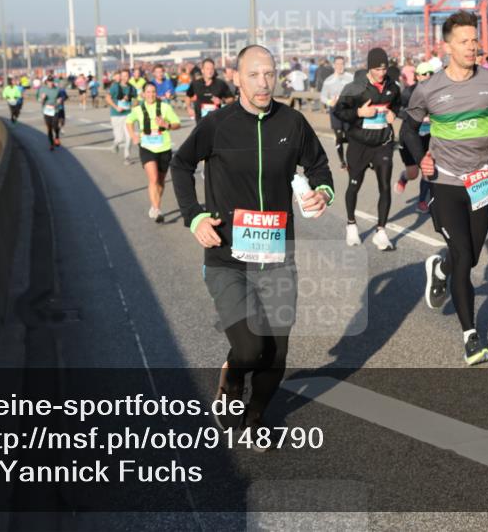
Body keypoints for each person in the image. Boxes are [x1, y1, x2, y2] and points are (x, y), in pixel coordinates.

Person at [171, 44, 333, 442]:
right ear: (237, 78)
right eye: (254, 75)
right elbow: (181, 164)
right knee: (249, 350)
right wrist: (194, 216)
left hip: (278, 258)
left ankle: (255, 419)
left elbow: (319, 166)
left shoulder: (292, 122)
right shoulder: (218, 124)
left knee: (276, 353)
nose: (263, 83)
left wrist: (323, 192)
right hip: (227, 257)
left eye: (269, 74)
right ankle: (232, 379)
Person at [401, 10, 488, 366]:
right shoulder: (429, 88)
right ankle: (471, 337)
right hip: (446, 181)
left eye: (475, 40)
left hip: (481, 180)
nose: (472, 47)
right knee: (464, 256)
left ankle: (440, 267)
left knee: (472, 257)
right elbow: (407, 129)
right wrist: (421, 157)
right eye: (464, 41)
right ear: (447, 46)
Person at [334, 47, 402, 251]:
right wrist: (359, 112)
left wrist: (393, 114)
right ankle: (351, 225)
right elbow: (339, 111)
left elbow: (397, 105)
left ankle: (381, 232)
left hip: (383, 144)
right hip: (359, 144)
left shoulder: (393, 86)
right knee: (354, 185)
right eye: (377, 69)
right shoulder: (355, 87)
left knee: (385, 186)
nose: (381, 73)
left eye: (384, 69)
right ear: (369, 68)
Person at [126, 83, 181, 223]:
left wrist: (166, 125)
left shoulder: (165, 107)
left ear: (156, 93)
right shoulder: (138, 109)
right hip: (147, 147)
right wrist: (133, 136)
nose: (150, 95)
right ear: (143, 94)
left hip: (164, 147)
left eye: (153, 92)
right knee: (154, 178)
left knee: (161, 181)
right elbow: (129, 121)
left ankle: (155, 205)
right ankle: (157, 210)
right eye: (148, 92)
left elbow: (177, 124)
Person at [394, 62, 435, 214]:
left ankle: (422, 201)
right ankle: (404, 178)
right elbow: (397, 110)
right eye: (424, 74)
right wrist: (416, 116)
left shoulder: (437, 92)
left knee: (427, 169)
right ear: (417, 76)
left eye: (430, 73)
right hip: (410, 136)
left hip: (428, 136)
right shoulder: (408, 92)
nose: (428, 76)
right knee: (413, 173)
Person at [320, 56, 353, 169]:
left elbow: (358, 91)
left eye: (342, 64)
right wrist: (330, 102)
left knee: (350, 136)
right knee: (339, 136)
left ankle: (351, 160)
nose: (340, 66)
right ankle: (342, 161)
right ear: (334, 65)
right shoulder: (329, 80)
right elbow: (323, 96)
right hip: (335, 111)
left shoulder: (350, 77)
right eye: (338, 64)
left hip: (348, 110)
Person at [107, 69, 138, 162]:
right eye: (123, 76)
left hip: (128, 114)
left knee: (129, 136)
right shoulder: (115, 87)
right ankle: (115, 144)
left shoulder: (132, 88)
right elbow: (108, 98)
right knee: (120, 138)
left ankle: (127, 157)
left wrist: (133, 105)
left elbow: (136, 99)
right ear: (120, 76)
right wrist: (116, 107)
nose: (125, 78)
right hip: (116, 115)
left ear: (129, 77)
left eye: (127, 76)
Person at [38, 79, 66, 151]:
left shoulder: (57, 89)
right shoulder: (42, 89)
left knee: (55, 125)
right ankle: (51, 143)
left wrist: (60, 100)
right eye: (49, 81)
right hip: (46, 110)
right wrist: (42, 98)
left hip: (55, 109)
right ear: (47, 82)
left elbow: (63, 97)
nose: (51, 83)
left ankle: (57, 137)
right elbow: (39, 100)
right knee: (49, 127)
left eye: (52, 81)